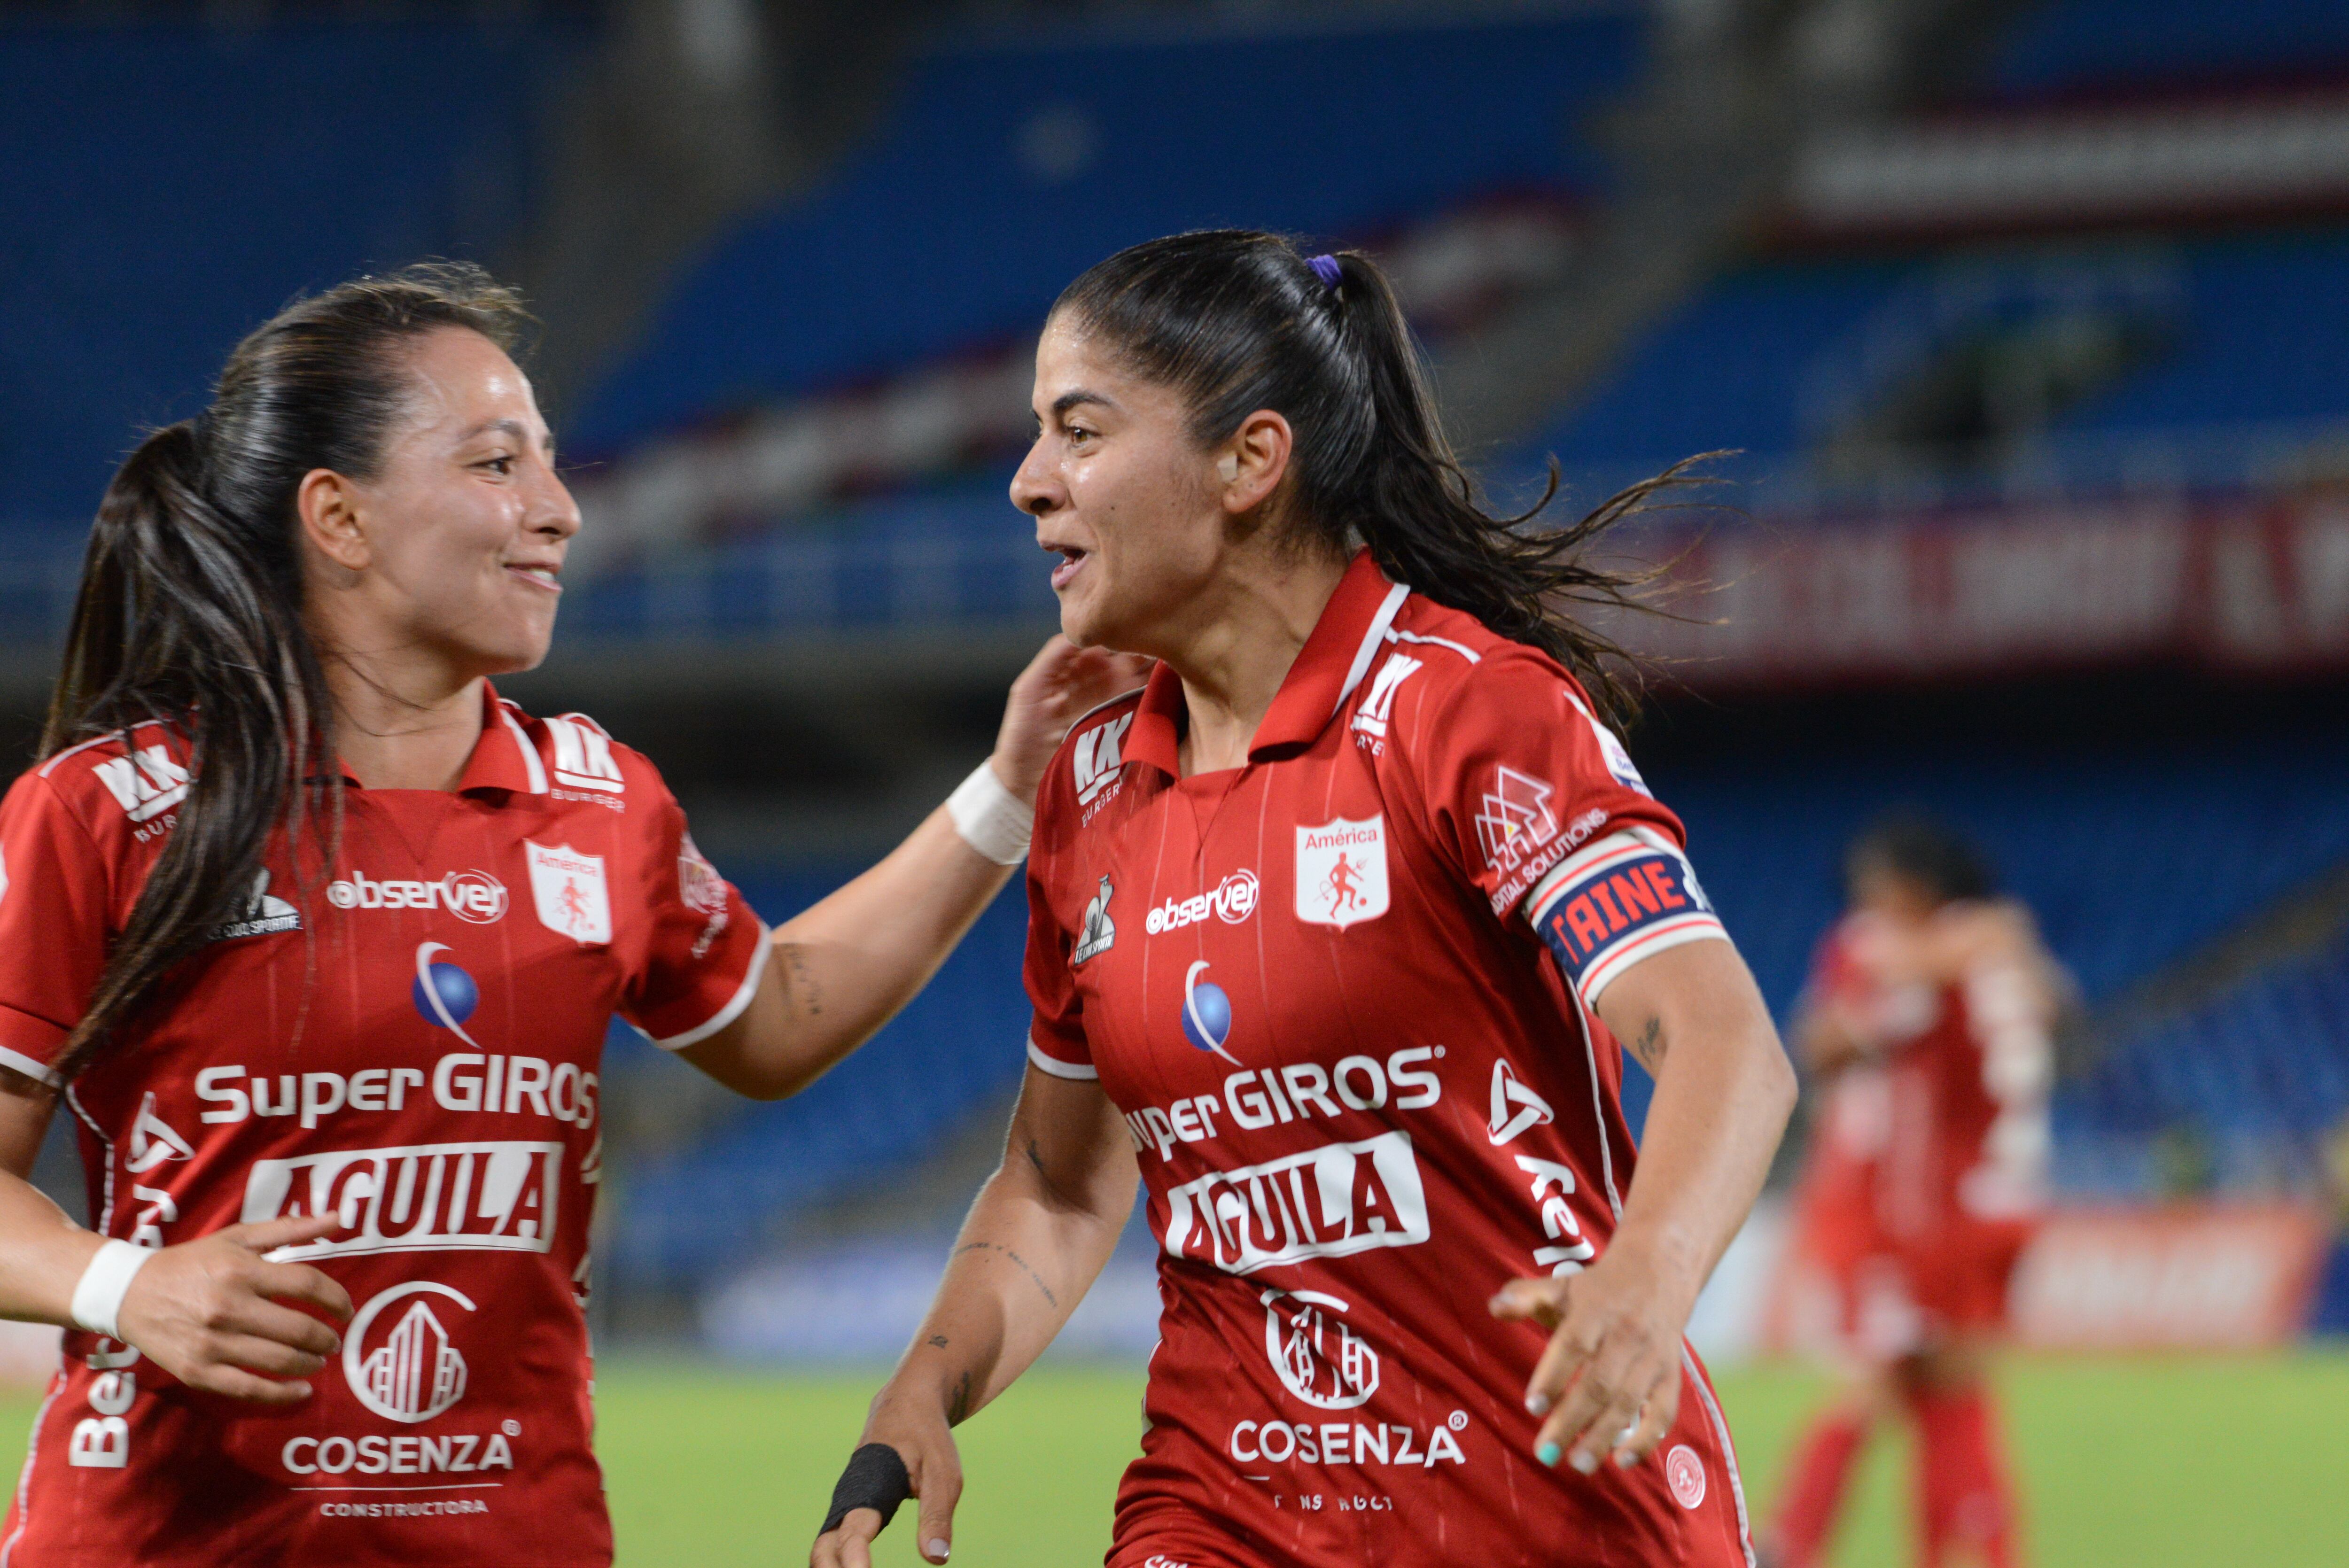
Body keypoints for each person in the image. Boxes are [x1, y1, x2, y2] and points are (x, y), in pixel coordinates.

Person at [0, 263, 1143, 1565]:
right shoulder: (111, 811)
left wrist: (1011, 787)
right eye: (497, 464)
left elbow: (777, 1019)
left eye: (549, 463)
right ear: (341, 518)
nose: (558, 509)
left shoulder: (599, 802)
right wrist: (125, 1284)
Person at [812, 232, 1797, 1568]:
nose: (1029, 480)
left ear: (1249, 461)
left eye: (1079, 432)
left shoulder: (1464, 713)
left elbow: (1723, 1041)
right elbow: (1059, 1180)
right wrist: (925, 1384)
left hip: (1549, 1506)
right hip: (1225, 1508)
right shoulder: (1089, 792)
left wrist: (1644, 1281)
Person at [1762, 814, 2065, 1568]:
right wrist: (1996, 937)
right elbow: (2052, 1003)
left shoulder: (1900, 957)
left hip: (1921, 1209)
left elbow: (1823, 1042)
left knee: (1871, 1381)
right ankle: (1972, 1550)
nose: (1866, 904)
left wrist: (1876, 981)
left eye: (1877, 887)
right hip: (1999, 1194)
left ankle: (1789, 1543)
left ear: (1917, 887)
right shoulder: (1997, 950)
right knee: (1947, 1386)